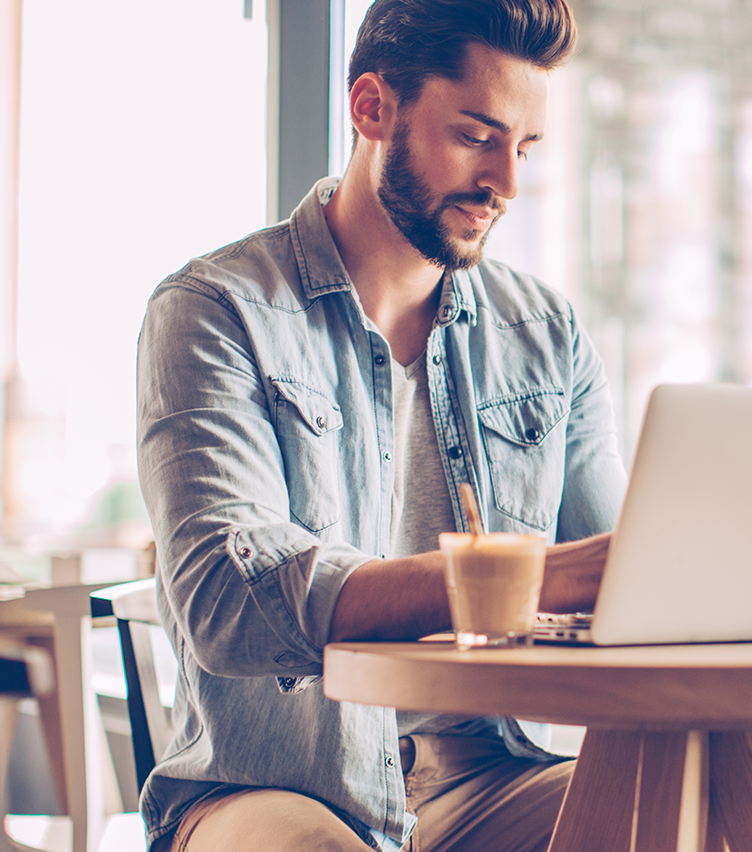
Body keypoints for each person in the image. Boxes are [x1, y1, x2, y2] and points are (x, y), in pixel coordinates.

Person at [135, 0, 627, 849]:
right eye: (477, 136)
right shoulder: (215, 312)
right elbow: (226, 604)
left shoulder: (546, 335)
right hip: (274, 789)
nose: (506, 182)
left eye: (526, 146)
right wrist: (527, 578)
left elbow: (616, 569)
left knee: (683, 821)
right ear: (372, 108)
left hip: (490, 778)